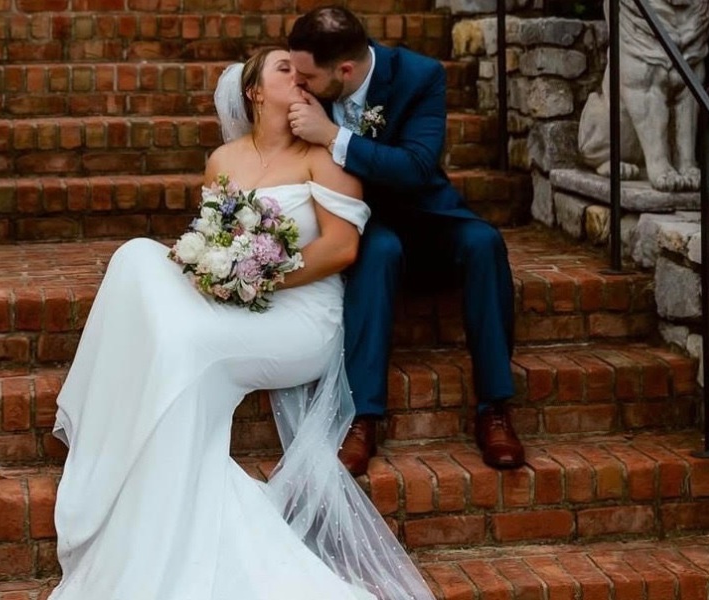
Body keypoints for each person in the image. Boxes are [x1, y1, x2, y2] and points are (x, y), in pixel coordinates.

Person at [49, 46, 434, 600]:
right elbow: (215, 240)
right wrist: (220, 271)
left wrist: (263, 279)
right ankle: (117, 441)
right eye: (283, 69)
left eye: (303, 73)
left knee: (184, 345)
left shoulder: (321, 157)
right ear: (254, 92)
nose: (299, 77)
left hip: (302, 316)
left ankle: (139, 451)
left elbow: (342, 250)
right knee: (135, 256)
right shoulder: (223, 161)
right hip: (239, 299)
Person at [286, 6, 525, 477]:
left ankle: (495, 408)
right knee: (380, 250)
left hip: (426, 214)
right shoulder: (309, 84)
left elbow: (416, 168)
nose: (298, 82)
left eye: (308, 75)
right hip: (363, 225)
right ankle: (364, 418)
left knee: (484, 242)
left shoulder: (420, 76)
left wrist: (334, 136)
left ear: (346, 71)